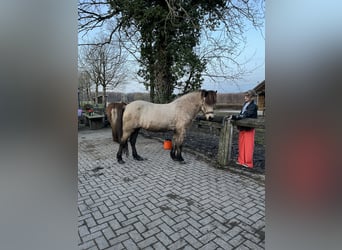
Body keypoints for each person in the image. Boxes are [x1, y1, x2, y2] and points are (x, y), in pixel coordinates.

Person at [230, 89, 258, 168]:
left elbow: (246, 114)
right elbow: (241, 113)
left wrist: (235, 117)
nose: (245, 97)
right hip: (242, 127)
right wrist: (236, 117)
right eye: (245, 95)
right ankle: (241, 160)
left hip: (249, 128)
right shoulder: (245, 104)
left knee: (248, 145)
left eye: (247, 96)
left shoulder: (254, 106)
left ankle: (248, 163)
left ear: (251, 97)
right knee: (241, 144)